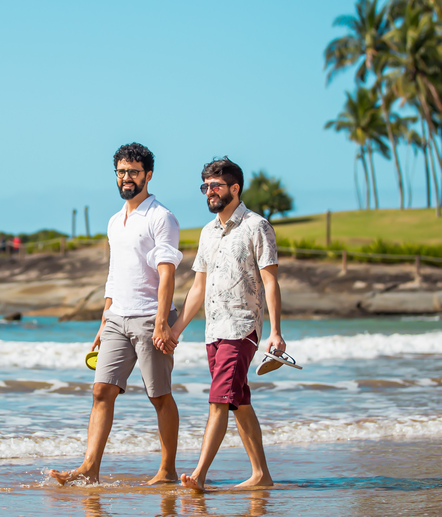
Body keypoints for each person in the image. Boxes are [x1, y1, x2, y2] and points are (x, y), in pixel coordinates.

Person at [49, 142, 184, 485]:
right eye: (121, 172)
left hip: (150, 319)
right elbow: (114, 274)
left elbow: (167, 273)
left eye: (133, 172)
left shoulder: (161, 217)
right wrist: (103, 320)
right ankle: (89, 469)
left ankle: (167, 470)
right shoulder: (114, 221)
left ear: (148, 175)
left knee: (159, 396)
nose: (126, 178)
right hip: (116, 319)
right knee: (101, 391)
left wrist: (160, 323)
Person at [167, 157, 283, 492]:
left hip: (242, 329)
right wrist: (177, 330)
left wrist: (275, 331)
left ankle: (199, 475)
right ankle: (261, 474)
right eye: (205, 186)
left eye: (215, 186)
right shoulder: (206, 233)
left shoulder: (257, 226)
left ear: (235, 188)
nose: (209, 192)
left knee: (219, 400)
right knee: (238, 401)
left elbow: (271, 282)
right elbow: (198, 287)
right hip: (213, 331)